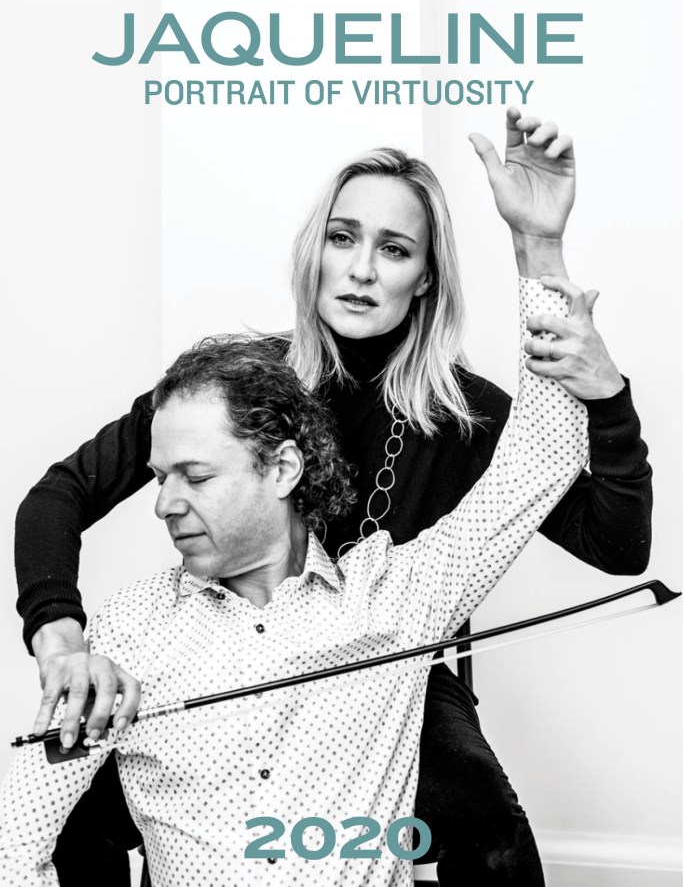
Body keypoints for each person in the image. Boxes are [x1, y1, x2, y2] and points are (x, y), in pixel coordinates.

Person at [13, 109, 652, 886]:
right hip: (221, 650)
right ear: (314, 249)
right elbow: (61, 494)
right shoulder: (228, 393)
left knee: (482, 814)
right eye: (343, 238)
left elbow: (612, 540)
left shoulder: (463, 413)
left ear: (426, 277)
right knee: (74, 795)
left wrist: (543, 257)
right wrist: (62, 640)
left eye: (394, 249)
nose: (360, 270)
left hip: (388, 662)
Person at [2, 301, 590, 885]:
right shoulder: (130, 628)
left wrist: (538, 258)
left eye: (197, 477)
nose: (164, 504)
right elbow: (16, 841)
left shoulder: (394, 597)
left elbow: (540, 464)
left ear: (283, 469)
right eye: (161, 478)